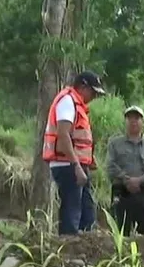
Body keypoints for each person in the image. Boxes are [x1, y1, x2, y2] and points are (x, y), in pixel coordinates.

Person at [41, 71, 106, 235]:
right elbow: (63, 135)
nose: (94, 97)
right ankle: (68, 250)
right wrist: (76, 165)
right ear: (83, 87)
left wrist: (88, 159)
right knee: (72, 211)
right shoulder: (68, 102)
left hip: (76, 164)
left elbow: (77, 137)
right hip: (67, 165)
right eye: (93, 92)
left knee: (87, 212)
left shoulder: (77, 105)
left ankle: (83, 251)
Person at [106, 106, 144, 236]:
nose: (133, 121)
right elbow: (110, 166)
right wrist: (127, 180)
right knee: (119, 233)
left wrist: (139, 180)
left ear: (143, 122)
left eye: (137, 118)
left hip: (143, 193)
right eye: (129, 118)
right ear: (125, 121)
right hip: (121, 193)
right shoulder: (115, 144)